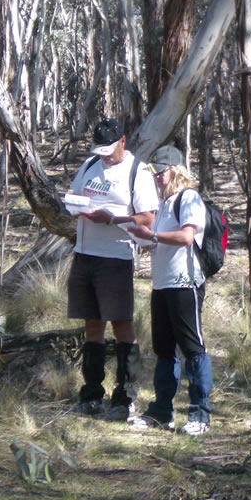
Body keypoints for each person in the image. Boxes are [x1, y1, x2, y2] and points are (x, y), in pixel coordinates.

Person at [67, 119, 158, 421]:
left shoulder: (137, 172)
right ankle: (92, 393)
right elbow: (75, 195)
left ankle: (125, 396)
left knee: (121, 325)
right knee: (92, 325)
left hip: (115, 257)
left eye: (109, 149)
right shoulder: (90, 164)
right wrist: (76, 206)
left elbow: (146, 218)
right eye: (100, 150)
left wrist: (112, 219)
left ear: (123, 140)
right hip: (85, 254)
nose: (104, 155)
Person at [127, 145, 213, 436]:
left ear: (175, 170)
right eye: (153, 172)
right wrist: (146, 239)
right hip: (161, 285)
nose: (156, 178)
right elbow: (160, 240)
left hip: (184, 284)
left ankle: (200, 414)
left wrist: (152, 234)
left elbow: (187, 236)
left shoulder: (189, 198)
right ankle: (162, 412)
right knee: (164, 350)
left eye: (159, 172)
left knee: (192, 349)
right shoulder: (164, 204)